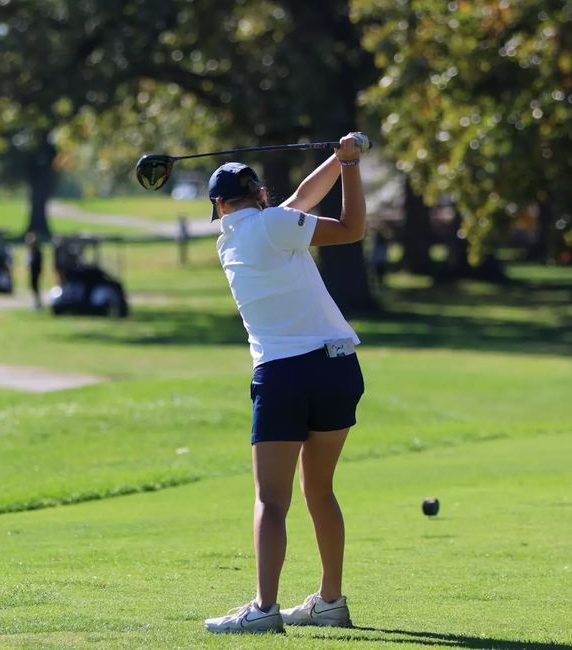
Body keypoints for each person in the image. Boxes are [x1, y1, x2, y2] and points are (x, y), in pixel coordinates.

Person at [202, 133, 368, 634]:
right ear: (259, 194)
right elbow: (350, 227)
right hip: (338, 367)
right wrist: (350, 165)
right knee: (320, 489)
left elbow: (300, 201)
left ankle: (264, 609)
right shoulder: (275, 223)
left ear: (219, 206)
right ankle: (331, 602)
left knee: (272, 500)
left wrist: (338, 160)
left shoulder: (231, 238)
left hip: (283, 374)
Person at [25, 232, 44, 309]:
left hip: (35, 271)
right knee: (33, 286)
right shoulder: (31, 251)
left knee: (35, 286)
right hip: (33, 271)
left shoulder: (37, 252)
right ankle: (37, 302)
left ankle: (38, 302)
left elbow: (37, 262)